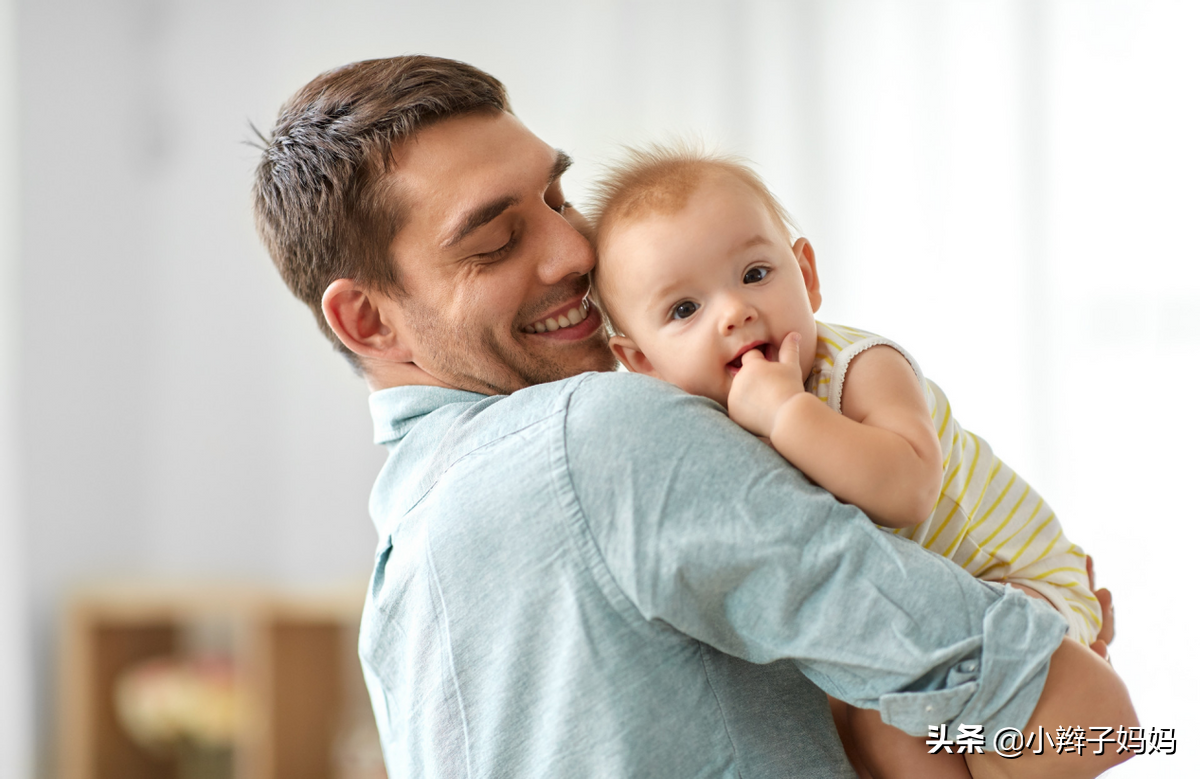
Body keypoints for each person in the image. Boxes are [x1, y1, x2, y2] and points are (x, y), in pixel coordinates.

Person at [252, 55, 1135, 778]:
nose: (574, 251)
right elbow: (1092, 720)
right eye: (495, 242)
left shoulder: (400, 583)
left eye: (558, 200)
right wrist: (1044, 650)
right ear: (366, 319)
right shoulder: (606, 434)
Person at [587, 145, 1127, 777]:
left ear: (807, 274)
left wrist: (789, 412)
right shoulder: (695, 431)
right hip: (921, 617)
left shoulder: (860, 368)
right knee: (866, 725)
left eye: (755, 273)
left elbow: (908, 490)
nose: (735, 311)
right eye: (685, 309)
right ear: (641, 362)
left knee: (892, 706)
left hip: (1017, 588)